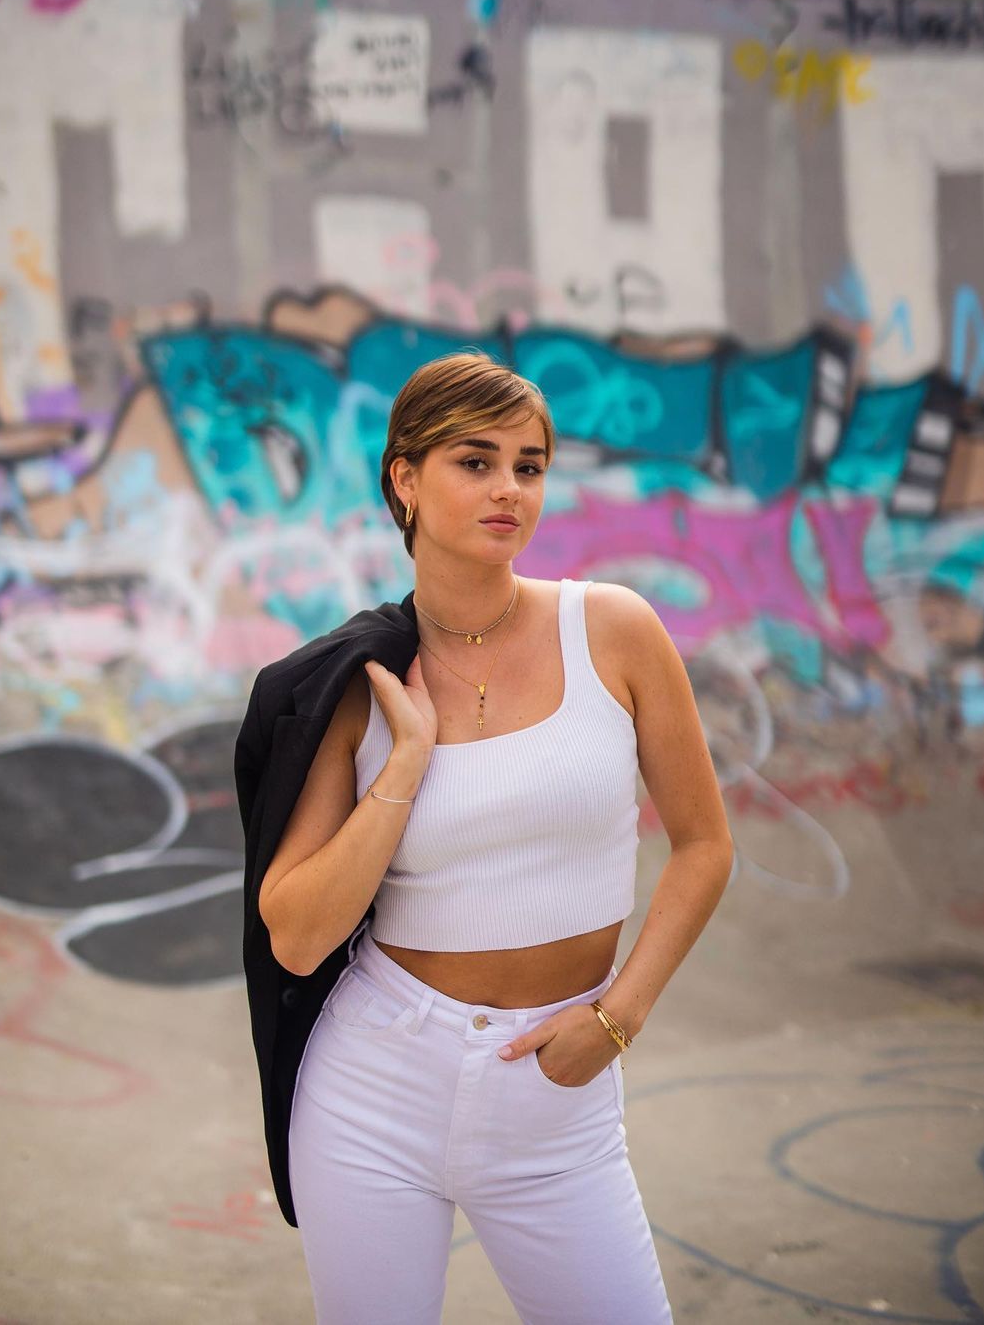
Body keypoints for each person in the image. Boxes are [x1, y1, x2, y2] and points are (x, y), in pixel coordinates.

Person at [256, 351, 733, 1324]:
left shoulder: (613, 631)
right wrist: (404, 765)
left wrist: (618, 1018)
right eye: (475, 462)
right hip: (374, 1086)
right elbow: (296, 936)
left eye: (530, 465)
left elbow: (703, 845)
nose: (509, 488)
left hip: (555, 1090)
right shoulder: (356, 682)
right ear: (405, 479)